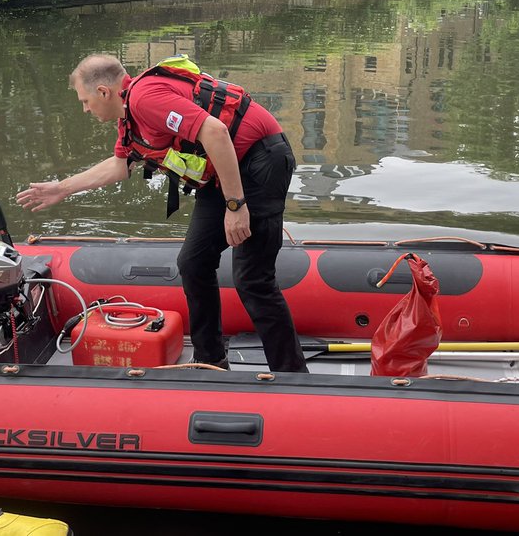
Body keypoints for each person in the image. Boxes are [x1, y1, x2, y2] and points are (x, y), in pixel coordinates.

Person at [16, 53, 308, 373]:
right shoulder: (130, 119)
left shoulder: (145, 99)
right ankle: (210, 359)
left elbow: (215, 132)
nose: (85, 109)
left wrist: (235, 206)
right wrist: (63, 188)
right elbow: (120, 165)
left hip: (260, 161)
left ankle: (291, 374)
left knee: (253, 278)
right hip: (226, 168)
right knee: (193, 263)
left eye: (85, 101)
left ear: (103, 92)